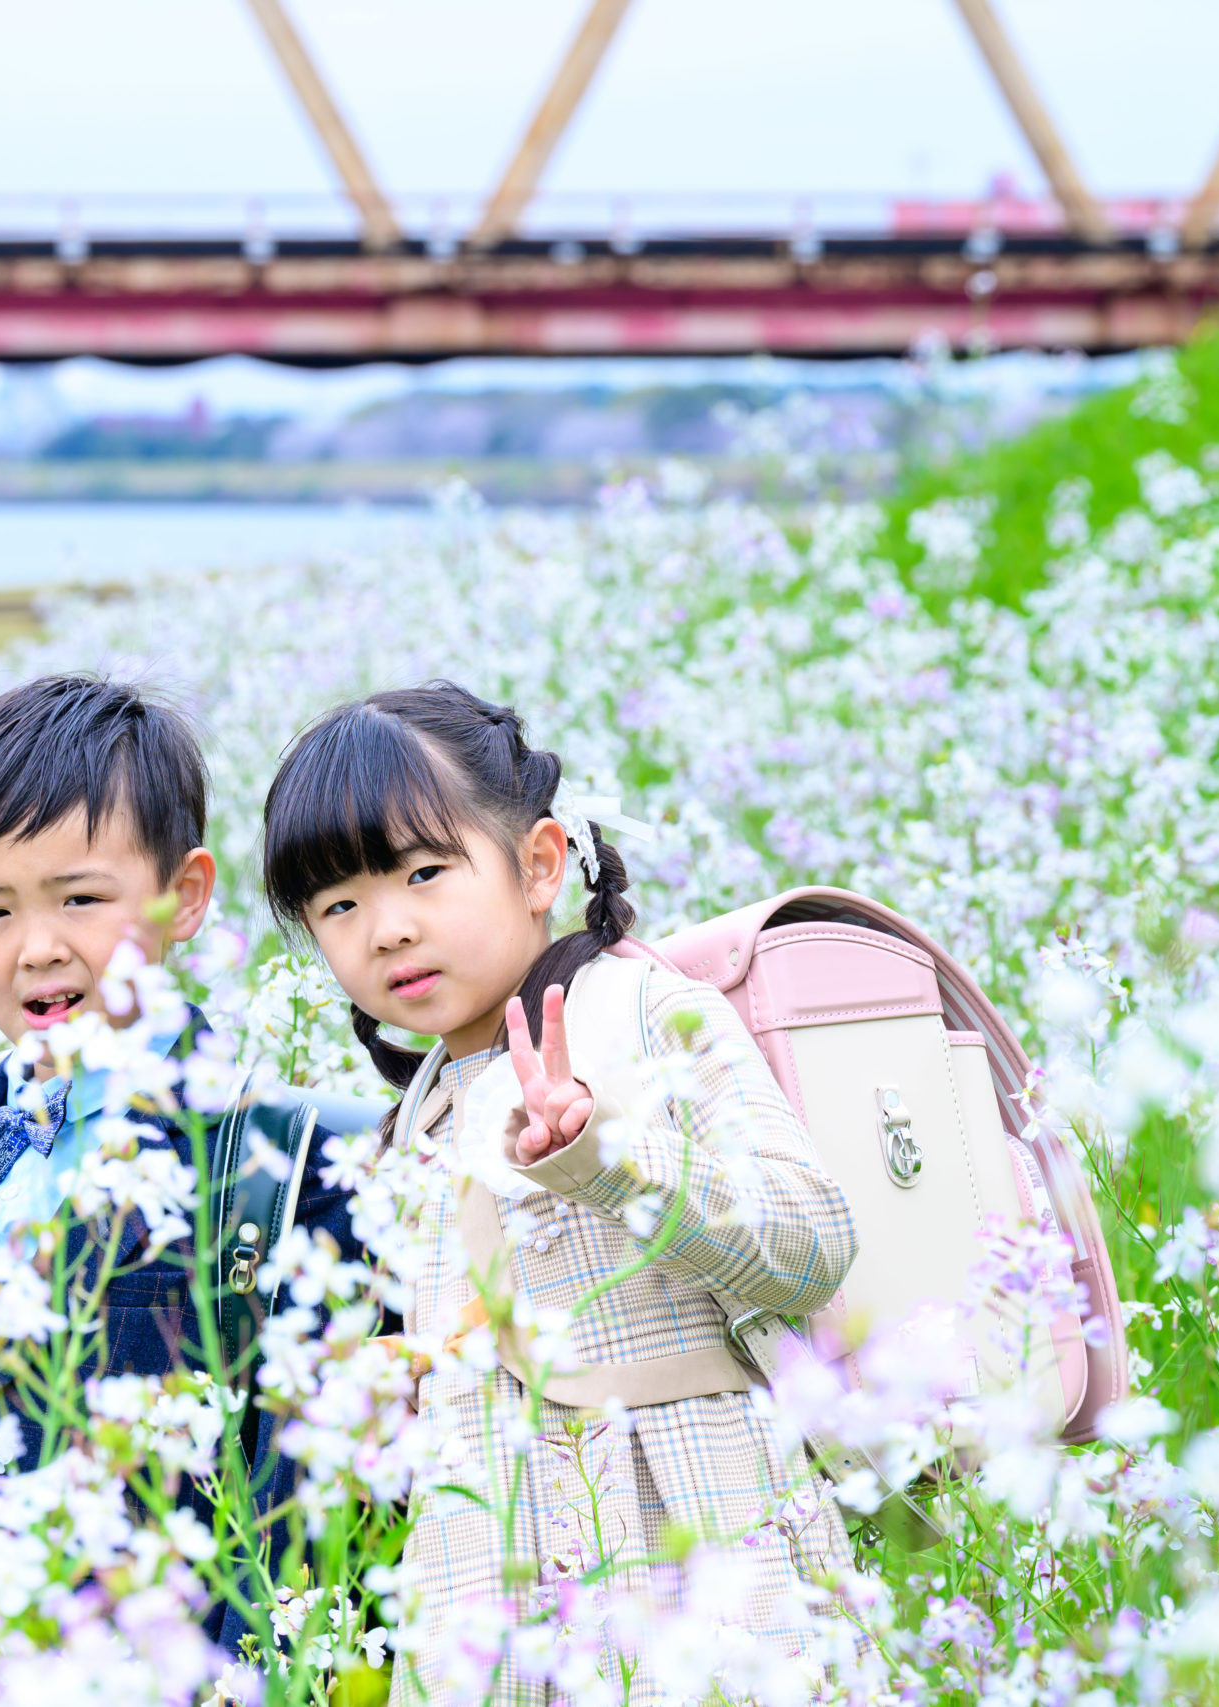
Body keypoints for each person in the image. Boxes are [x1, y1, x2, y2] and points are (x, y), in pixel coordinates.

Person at [260, 681, 856, 1705]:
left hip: (693, 1546)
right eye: (339, 905)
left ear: (538, 864)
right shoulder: (418, 1112)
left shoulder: (647, 1008)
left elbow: (811, 1244)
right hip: (485, 1587)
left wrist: (604, 1156)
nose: (386, 929)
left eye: (422, 873)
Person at [0, 673, 360, 1497]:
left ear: (182, 898)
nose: (39, 947)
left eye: (80, 898)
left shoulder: (261, 1156)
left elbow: (294, 1480)